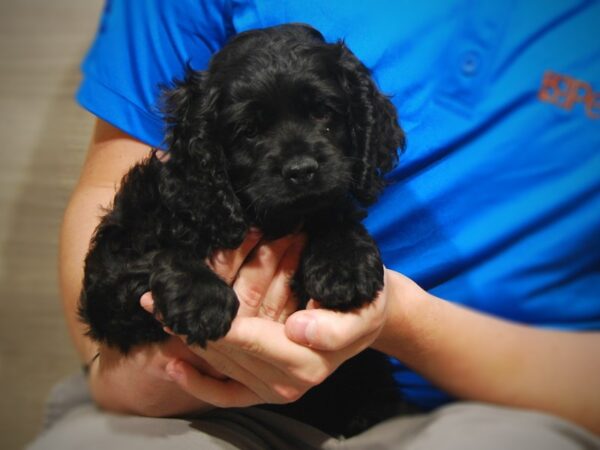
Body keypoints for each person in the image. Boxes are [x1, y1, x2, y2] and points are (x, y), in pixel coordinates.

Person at [30, 1, 600, 449]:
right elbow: (112, 216)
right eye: (254, 132)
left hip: (456, 411)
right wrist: (138, 381)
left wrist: (395, 316)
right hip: (180, 402)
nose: (300, 159)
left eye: (321, 114)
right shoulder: (177, 192)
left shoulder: (333, 225)